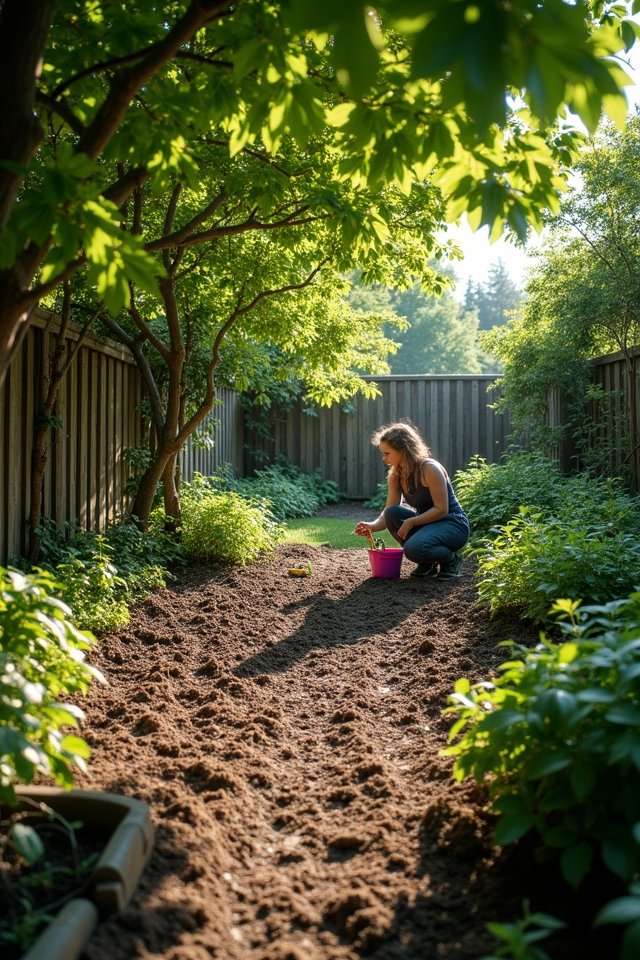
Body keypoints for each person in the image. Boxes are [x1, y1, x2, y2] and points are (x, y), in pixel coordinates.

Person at [354, 421, 470, 579]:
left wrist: (412, 521)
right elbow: (389, 509)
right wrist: (372, 526)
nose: (384, 459)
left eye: (387, 453)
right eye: (383, 454)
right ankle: (426, 562)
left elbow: (442, 510)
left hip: (452, 524)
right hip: (428, 524)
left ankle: (451, 560)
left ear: (403, 450)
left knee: (412, 549)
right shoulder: (396, 474)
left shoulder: (429, 468)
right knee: (392, 513)